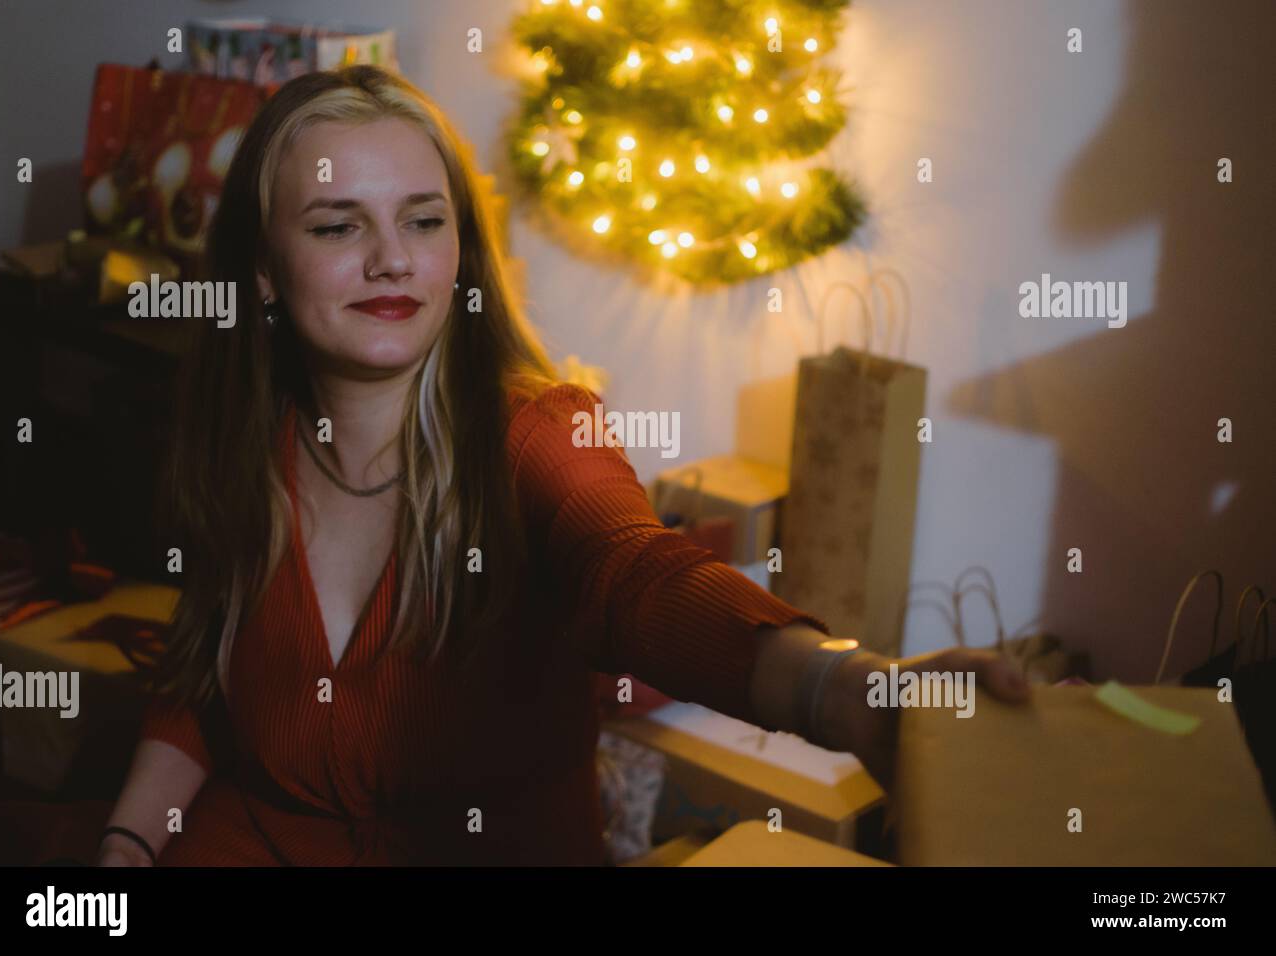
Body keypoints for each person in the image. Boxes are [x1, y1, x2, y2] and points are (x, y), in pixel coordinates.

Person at [97, 65, 1030, 867]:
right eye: (338, 227)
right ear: (262, 269)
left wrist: (846, 689)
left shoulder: (539, 436)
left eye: (423, 221)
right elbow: (200, 686)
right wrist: (123, 852)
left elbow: (639, 572)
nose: (391, 260)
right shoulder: (239, 439)